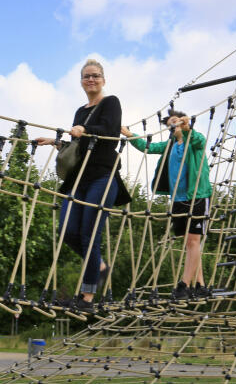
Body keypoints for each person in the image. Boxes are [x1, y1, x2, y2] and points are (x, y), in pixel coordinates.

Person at [35, 59, 130, 313]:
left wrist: (84, 129)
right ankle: (99, 267)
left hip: (103, 178)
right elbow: (79, 146)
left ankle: (87, 297)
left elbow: (108, 131)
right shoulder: (80, 110)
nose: (91, 80)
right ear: (81, 81)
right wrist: (56, 142)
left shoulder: (111, 103)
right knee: (67, 230)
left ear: (103, 80)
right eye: (87, 76)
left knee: (90, 235)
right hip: (78, 179)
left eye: (96, 76)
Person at [122, 110, 212, 300]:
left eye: (177, 121)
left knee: (193, 241)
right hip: (178, 199)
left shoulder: (193, 140)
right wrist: (130, 135)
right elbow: (149, 147)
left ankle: (184, 285)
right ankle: (201, 285)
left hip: (197, 195)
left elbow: (199, 141)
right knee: (189, 243)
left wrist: (188, 127)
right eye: (171, 123)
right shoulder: (170, 145)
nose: (174, 125)